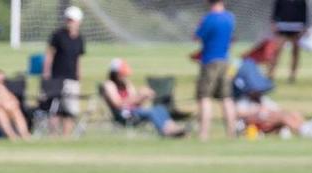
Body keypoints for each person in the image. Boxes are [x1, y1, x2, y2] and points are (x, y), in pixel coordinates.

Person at [101, 58, 184, 138]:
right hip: (124, 114)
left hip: (134, 110)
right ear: (115, 74)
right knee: (151, 112)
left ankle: (173, 127)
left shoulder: (126, 83)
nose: (124, 76)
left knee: (160, 108)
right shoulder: (109, 85)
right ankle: (165, 131)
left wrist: (143, 97)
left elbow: (135, 101)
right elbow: (118, 103)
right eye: (122, 74)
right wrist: (139, 96)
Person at [194, 0, 237, 141]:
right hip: (225, 60)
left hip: (210, 61)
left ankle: (204, 135)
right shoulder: (230, 18)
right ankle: (232, 134)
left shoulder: (208, 19)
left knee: (205, 97)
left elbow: (197, 37)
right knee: (227, 98)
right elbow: (232, 39)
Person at [43, 5, 86, 136]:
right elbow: (50, 54)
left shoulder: (79, 39)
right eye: (68, 19)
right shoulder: (58, 35)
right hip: (57, 77)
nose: (70, 22)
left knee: (70, 109)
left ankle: (66, 136)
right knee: (54, 108)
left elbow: (78, 58)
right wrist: (46, 72)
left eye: (72, 20)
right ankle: (53, 135)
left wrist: (79, 73)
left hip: (72, 77)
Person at [270, 0, 312, 82]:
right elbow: (275, 12)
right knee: (276, 51)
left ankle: (292, 75)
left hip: (296, 28)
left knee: (295, 52)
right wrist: (273, 24)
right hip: (282, 27)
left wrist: (305, 28)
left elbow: (305, 14)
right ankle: (270, 74)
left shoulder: (302, 1)